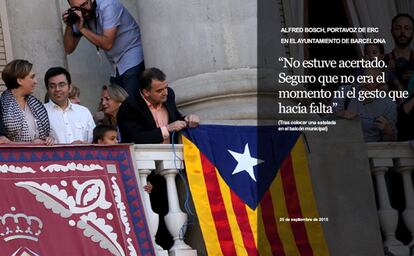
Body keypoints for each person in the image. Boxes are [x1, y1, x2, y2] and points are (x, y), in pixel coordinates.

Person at [62, 0, 145, 96]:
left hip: (133, 57)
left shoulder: (108, 6)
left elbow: (107, 44)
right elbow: (68, 49)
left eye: (84, 4)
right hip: (116, 66)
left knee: (131, 103)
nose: (82, 10)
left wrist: (82, 29)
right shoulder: (80, 16)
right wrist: (69, 24)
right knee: (119, 105)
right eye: (77, 8)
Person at [117, 67, 200, 144]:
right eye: (159, 90)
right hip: (146, 157)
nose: (165, 93)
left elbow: (174, 118)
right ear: (146, 92)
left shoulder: (169, 95)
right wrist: (166, 129)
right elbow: (134, 139)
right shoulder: (129, 107)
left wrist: (187, 119)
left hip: (173, 154)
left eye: (166, 87)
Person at [334, 68, 397, 142]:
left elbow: (392, 141)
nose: (366, 83)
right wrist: (341, 113)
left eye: (373, 80)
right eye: (365, 78)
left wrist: (388, 131)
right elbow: (328, 118)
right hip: (342, 145)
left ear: (381, 86)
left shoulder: (389, 105)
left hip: (371, 148)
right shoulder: (345, 91)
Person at [0, 59, 53, 145]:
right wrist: (30, 144)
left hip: (40, 156)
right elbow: (2, 142)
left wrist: (48, 139)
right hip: (14, 157)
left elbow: (44, 135)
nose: (36, 81)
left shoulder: (36, 104)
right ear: (19, 80)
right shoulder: (2, 105)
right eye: (32, 77)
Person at [92, 124, 152, 192]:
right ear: (100, 142)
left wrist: (145, 186)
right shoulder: (91, 164)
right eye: (112, 139)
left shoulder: (124, 160)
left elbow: (131, 183)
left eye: (117, 139)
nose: (116, 141)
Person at [44, 67, 95, 144]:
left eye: (61, 85)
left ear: (69, 88)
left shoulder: (84, 112)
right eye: (52, 86)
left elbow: (94, 141)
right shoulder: (41, 112)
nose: (57, 89)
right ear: (47, 89)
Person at [385, 13, 414, 91]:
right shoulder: (383, 60)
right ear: (392, 32)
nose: (402, 32)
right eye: (398, 28)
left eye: (407, 28)